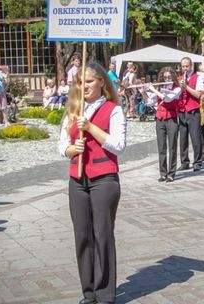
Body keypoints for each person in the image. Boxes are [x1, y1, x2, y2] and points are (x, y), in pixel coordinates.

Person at [58, 61, 126, 304]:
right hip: (77, 180)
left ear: (101, 82)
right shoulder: (73, 110)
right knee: (83, 236)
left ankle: (105, 294)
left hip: (104, 179)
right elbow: (61, 144)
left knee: (103, 235)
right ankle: (88, 293)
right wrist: (70, 150)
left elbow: (118, 145)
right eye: (80, 82)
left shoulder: (113, 109)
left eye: (89, 81)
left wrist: (91, 128)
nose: (84, 86)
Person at [148, 67, 181, 182]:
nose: (167, 79)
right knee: (161, 147)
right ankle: (163, 173)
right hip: (160, 119)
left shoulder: (177, 89)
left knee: (172, 147)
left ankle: (171, 173)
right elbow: (150, 102)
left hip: (171, 119)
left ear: (173, 77)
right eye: (164, 77)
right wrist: (144, 92)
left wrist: (154, 89)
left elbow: (167, 99)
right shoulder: (159, 88)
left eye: (169, 77)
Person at [178, 57, 203, 172]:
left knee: (195, 137)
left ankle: (197, 162)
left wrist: (186, 87)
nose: (185, 69)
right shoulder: (179, 78)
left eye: (187, 66)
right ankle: (184, 162)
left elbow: (198, 95)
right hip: (182, 111)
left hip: (193, 111)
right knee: (183, 138)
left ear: (191, 66)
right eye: (183, 66)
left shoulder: (198, 78)